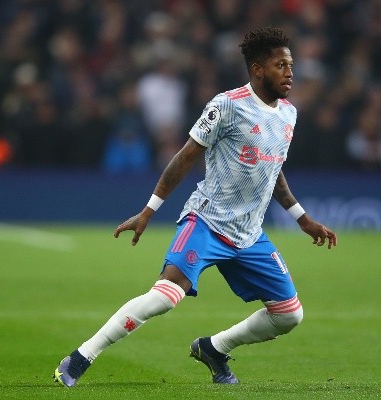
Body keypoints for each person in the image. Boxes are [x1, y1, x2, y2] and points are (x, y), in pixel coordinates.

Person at [53, 26, 337, 387]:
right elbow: (186, 157)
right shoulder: (228, 106)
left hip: (249, 234)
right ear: (257, 70)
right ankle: (80, 357)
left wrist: (302, 218)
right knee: (165, 297)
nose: (290, 73)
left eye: (291, 65)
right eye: (281, 65)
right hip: (207, 222)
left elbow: (272, 169)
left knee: (289, 315)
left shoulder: (288, 115)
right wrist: (149, 210)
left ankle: (213, 348)